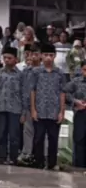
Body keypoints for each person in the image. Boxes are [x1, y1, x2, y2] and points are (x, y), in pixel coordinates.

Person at [31, 43, 65, 171]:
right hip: (39, 110)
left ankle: (52, 163)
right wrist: (33, 109)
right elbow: (32, 91)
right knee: (38, 138)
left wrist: (61, 111)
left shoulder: (59, 73)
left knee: (53, 139)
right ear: (41, 55)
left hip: (54, 111)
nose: (48, 58)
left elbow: (62, 93)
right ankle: (38, 162)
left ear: (55, 56)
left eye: (51, 55)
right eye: (46, 55)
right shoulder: (36, 72)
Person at [0, 46, 24, 165]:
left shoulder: (20, 75)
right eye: (5, 58)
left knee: (14, 135)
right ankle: (2, 157)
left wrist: (24, 112)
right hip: (1, 107)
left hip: (15, 108)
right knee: (1, 134)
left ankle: (13, 158)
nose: (6, 60)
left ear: (16, 59)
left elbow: (23, 93)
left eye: (9, 58)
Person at [18, 45, 42, 165]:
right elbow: (23, 90)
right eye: (31, 54)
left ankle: (41, 156)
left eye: (36, 54)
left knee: (41, 133)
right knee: (27, 131)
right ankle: (27, 154)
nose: (33, 57)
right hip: (27, 105)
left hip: (42, 107)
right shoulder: (25, 71)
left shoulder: (44, 71)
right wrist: (23, 109)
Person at [65, 62, 86, 169]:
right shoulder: (76, 82)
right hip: (80, 114)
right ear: (82, 70)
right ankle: (79, 167)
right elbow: (65, 92)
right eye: (85, 70)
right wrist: (75, 102)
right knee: (79, 140)